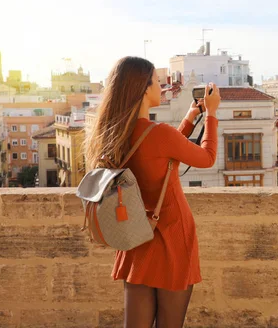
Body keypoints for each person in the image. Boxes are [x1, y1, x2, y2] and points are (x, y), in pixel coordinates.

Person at [84, 56, 221, 327]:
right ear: (144, 89)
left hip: (136, 235)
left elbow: (160, 154)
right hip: (171, 236)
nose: (162, 88)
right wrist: (213, 114)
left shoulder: (115, 134)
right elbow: (206, 158)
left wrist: (190, 119)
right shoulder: (159, 133)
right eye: (158, 82)